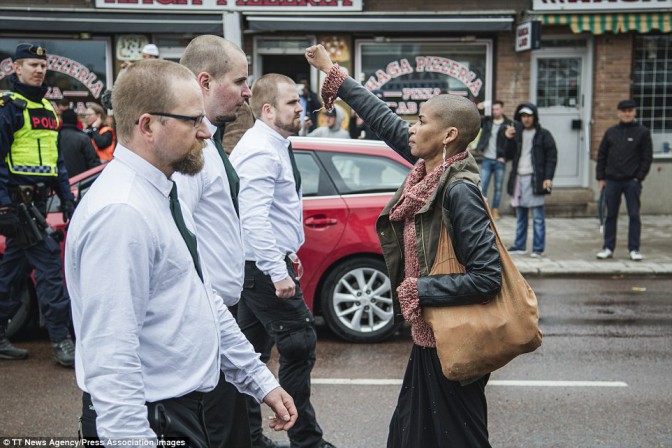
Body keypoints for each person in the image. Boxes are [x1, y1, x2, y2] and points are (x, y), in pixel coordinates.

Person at [64, 59, 297, 444]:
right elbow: (112, 354)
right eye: (192, 120)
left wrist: (259, 381)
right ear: (148, 125)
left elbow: (199, 298)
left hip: (178, 411)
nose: (206, 131)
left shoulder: (164, 193)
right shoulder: (122, 213)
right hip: (149, 420)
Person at [305, 44, 501, 448]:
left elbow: (488, 277)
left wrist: (419, 289)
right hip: (427, 337)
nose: (410, 127)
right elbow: (381, 118)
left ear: (448, 135)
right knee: (411, 435)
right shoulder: (427, 172)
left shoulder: (459, 190)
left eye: (420, 121)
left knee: (457, 439)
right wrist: (332, 72)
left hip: (452, 343)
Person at [230, 73, 336, 448]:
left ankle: (245, 438)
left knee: (247, 357)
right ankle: (306, 441)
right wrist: (278, 270)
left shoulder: (274, 143)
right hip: (262, 268)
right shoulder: (260, 149)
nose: (300, 108)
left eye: (299, 101)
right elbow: (253, 217)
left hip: (261, 265)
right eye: (292, 102)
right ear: (268, 109)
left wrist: (287, 256)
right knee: (298, 342)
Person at [173, 35, 262, 448]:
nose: (248, 92)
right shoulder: (190, 149)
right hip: (207, 316)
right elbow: (183, 244)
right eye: (240, 81)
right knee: (223, 433)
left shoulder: (210, 138)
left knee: (234, 427)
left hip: (221, 313)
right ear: (205, 82)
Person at [0, 43, 76, 366]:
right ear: (16, 68)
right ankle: (61, 341)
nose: (39, 70)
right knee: (50, 272)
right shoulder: (8, 107)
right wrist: (3, 208)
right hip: (17, 208)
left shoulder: (47, 107)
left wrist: (69, 199)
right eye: (32, 64)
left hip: (38, 205)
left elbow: (57, 162)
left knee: (9, 278)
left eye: (42, 65)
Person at [595, 99, 653, 261]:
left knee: (634, 215)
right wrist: (600, 177)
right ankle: (608, 247)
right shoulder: (611, 132)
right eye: (624, 111)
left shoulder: (642, 132)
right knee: (610, 215)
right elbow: (602, 155)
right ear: (619, 113)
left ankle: (634, 249)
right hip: (612, 180)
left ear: (634, 112)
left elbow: (646, 157)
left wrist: (638, 177)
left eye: (630, 111)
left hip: (631, 182)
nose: (627, 114)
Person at [504, 103, 557, 258]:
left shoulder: (544, 135)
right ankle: (520, 245)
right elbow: (506, 155)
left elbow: (551, 157)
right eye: (523, 116)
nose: (526, 119)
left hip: (535, 178)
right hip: (518, 177)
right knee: (520, 215)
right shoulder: (516, 134)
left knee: (538, 216)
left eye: (529, 116)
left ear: (535, 117)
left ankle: (538, 248)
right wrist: (508, 138)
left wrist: (548, 177)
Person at [475, 100, 512, 220]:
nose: (495, 111)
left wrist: (506, 157)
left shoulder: (508, 124)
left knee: (498, 187)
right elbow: (475, 121)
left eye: (497, 109)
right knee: (483, 186)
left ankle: (495, 210)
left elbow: (513, 144)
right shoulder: (487, 121)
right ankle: (484, 211)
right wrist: (479, 109)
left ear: (502, 109)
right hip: (487, 158)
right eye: (493, 109)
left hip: (499, 161)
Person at [58, 109, 101, 177]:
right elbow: (93, 163)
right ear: (76, 120)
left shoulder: (56, 138)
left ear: (62, 120)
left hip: (60, 181)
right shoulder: (83, 138)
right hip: (81, 182)